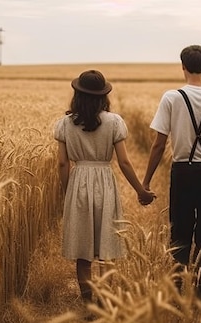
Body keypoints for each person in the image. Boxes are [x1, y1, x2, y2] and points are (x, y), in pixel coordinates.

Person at [142, 45, 201, 307]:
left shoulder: (171, 98)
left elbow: (159, 145)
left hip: (182, 171)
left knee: (180, 233)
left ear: (182, 66)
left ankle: (175, 293)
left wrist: (146, 181)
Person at [54, 70, 155, 305]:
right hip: (105, 181)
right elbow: (124, 162)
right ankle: (105, 302)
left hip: (78, 180)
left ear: (77, 95)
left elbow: (61, 163)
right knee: (107, 244)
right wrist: (140, 190)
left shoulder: (64, 124)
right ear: (103, 97)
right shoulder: (114, 122)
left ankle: (88, 303)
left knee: (82, 248)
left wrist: (67, 192)